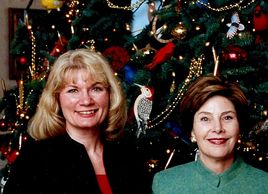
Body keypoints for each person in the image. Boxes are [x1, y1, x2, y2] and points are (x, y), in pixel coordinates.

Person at [3, 49, 150, 194]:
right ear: (57, 99)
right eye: (73, 90)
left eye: (96, 89)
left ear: (110, 95)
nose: (86, 100)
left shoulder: (128, 154)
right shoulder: (35, 159)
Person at [152, 74, 268, 194]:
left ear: (239, 126)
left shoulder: (264, 184)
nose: (218, 128)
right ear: (192, 130)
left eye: (227, 117)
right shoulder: (165, 184)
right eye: (205, 119)